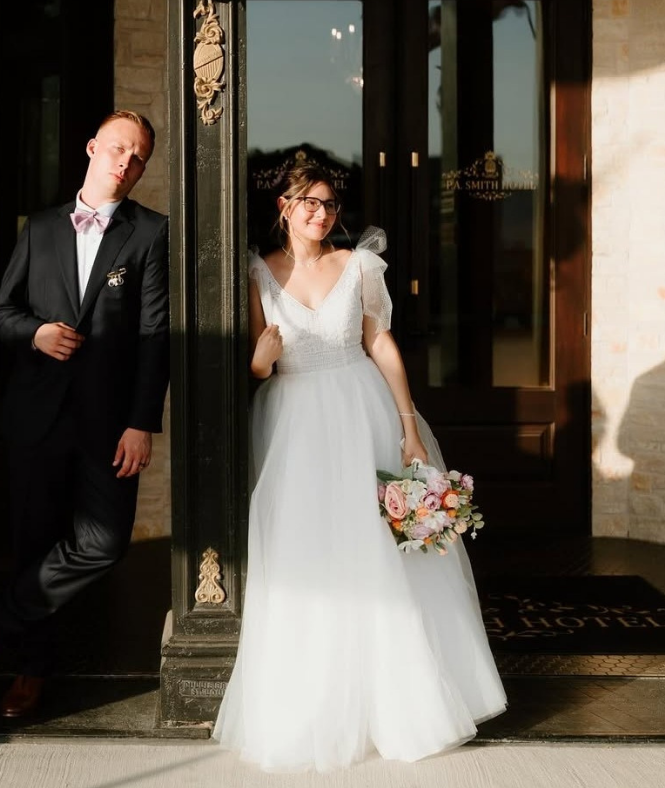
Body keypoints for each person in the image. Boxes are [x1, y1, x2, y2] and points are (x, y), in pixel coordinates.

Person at [212, 163, 506, 771]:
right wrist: (260, 363)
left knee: (378, 554)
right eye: (309, 203)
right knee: (307, 553)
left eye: (329, 204)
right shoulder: (256, 272)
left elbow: (379, 342)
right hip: (292, 423)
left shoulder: (359, 266)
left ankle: (398, 700)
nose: (321, 213)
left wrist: (407, 426)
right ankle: (315, 702)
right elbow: (253, 359)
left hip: (360, 411)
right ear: (285, 205)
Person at [0, 110, 170, 718]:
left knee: (104, 542)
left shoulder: (152, 232)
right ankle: (31, 672)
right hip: (37, 416)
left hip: (110, 425)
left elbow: (157, 333)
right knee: (35, 544)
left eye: (137, 157)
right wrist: (37, 333)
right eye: (117, 149)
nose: (125, 163)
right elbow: (1, 311)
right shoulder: (41, 228)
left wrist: (142, 421)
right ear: (91, 148)